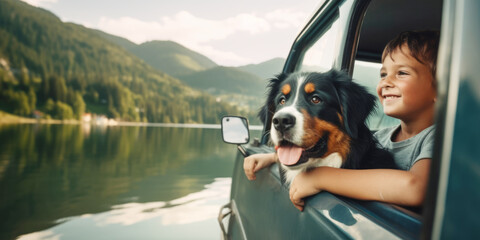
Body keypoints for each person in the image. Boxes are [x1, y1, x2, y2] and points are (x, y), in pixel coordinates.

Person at [243, 31, 439, 211]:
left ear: (443, 88)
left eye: (402, 73)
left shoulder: (442, 139)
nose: (386, 82)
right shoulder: (382, 137)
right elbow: (360, 144)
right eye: (383, 74)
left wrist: (319, 177)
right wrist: (275, 156)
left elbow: (416, 189)